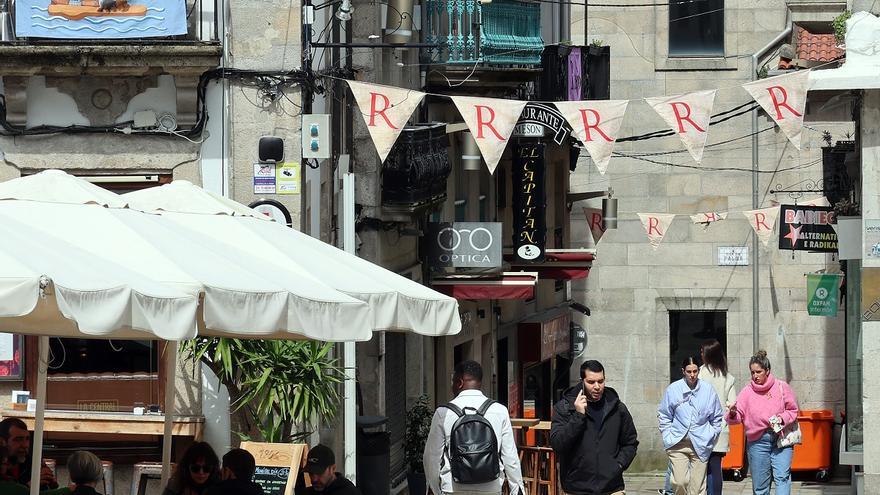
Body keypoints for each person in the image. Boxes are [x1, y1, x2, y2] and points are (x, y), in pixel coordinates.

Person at [423, 360, 524, 495]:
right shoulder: (500, 410)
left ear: (459, 382)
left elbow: (432, 457)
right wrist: (517, 489)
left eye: (453, 382)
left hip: (453, 488)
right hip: (491, 488)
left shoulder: (443, 413)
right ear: (479, 382)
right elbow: (510, 457)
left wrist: (434, 488)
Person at [550, 359, 639, 495]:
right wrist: (578, 416)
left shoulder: (617, 408)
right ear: (582, 381)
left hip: (612, 487)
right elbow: (558, 444)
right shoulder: (566, 408)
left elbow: (630, 443)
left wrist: (618, 465)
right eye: (591, 382)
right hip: (577, 488)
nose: (597, 386)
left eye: (601, 381)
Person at [728, 350, 799, 495]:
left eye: (758, 372)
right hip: (758, 441)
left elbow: (793, 410)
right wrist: (733, 412)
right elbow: (736, 418)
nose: (755, 376)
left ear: (767, 371)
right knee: (760, 486)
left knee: (782, 478)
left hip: (782, 439)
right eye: (752, 372)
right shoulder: (747, 392)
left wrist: (782, 419)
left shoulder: (781, 387)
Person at [658, 356, 723, 495]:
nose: (692, 375)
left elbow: (717, 416)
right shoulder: (673, 389)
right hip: (677, 442)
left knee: (697, 488)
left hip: (700, 442)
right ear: (683, 371)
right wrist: (666, 434)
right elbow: (664, 414)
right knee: (679, 481)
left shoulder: (708, 390)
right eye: (689, 371)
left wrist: (711, 434)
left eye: (695, 371)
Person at [699, 340, 737, 495]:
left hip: (701, 428)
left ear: (708, 354)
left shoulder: (700, 373)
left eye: (702, 351)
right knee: (715, 469)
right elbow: (733, 404)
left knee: (701, 469)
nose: (700, 354)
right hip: (720, 429)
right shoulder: (727, 377)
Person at [0, 418, 58, 490]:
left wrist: (49, 485)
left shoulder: (33, 464)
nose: (25, 445)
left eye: (27, 439)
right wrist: (30, 486)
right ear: (2, 441)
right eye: (18, 439)